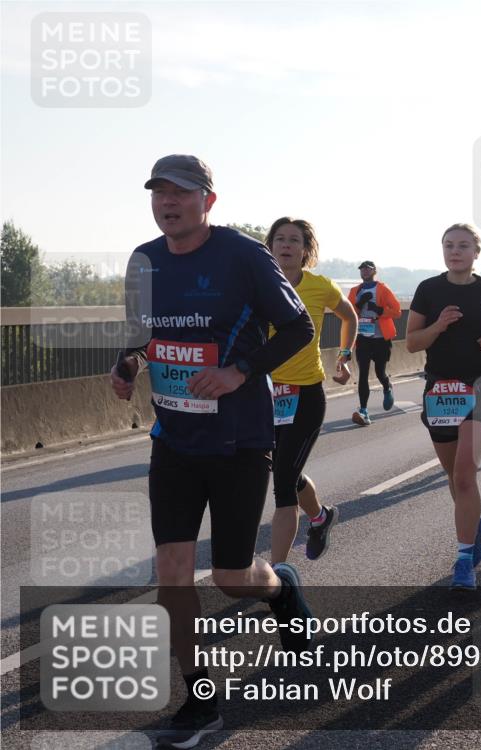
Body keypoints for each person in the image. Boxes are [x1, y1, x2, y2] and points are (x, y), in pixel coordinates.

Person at [110, 155, 317, 749]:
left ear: (208, 200)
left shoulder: (244, 255)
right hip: (173, 440)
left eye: (181, 192)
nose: (167, 202)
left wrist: (238, 371)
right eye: (159, 192)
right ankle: (201, 701)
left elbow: (299, 328)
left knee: (231, 576)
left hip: (240, 440)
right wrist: (127, 364)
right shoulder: (143, 261)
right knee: (171, 574)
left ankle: (281, 585)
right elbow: (141, 334)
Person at [406, 223, 481, 591]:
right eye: (449, 245)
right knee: (454, 477)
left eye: (463, 246)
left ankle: (464, 561)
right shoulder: (429, 290)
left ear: (476, 252)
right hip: (441, 391)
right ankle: (475, 524)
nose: (455, 251)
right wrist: (438, 325)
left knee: (465, 475)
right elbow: (412, 344)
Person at [265, 217, 358, 564]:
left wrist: (344, 357)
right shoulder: (257, 286)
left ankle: (278, 575)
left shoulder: (321, 287)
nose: (286, 245)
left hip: (305, 394)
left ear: (305, 250)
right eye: (280, 239)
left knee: (283, 482)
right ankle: (320, 517)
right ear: (270, 246)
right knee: (284, 468)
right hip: (264, 394)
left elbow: (349, 317)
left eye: (294, 240)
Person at [348, 261, 402, 425]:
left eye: (368, 268)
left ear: (374, 271)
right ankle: (363, 410)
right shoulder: (354, 291)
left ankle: (387, 387)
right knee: (363, 374)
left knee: (380, 372)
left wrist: (379, 310)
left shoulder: (383, 289)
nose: (364, 271)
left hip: (380, 339)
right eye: (362, 269)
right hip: (363, 338)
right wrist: (358, 303)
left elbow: (397, 311)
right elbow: (348, 312)